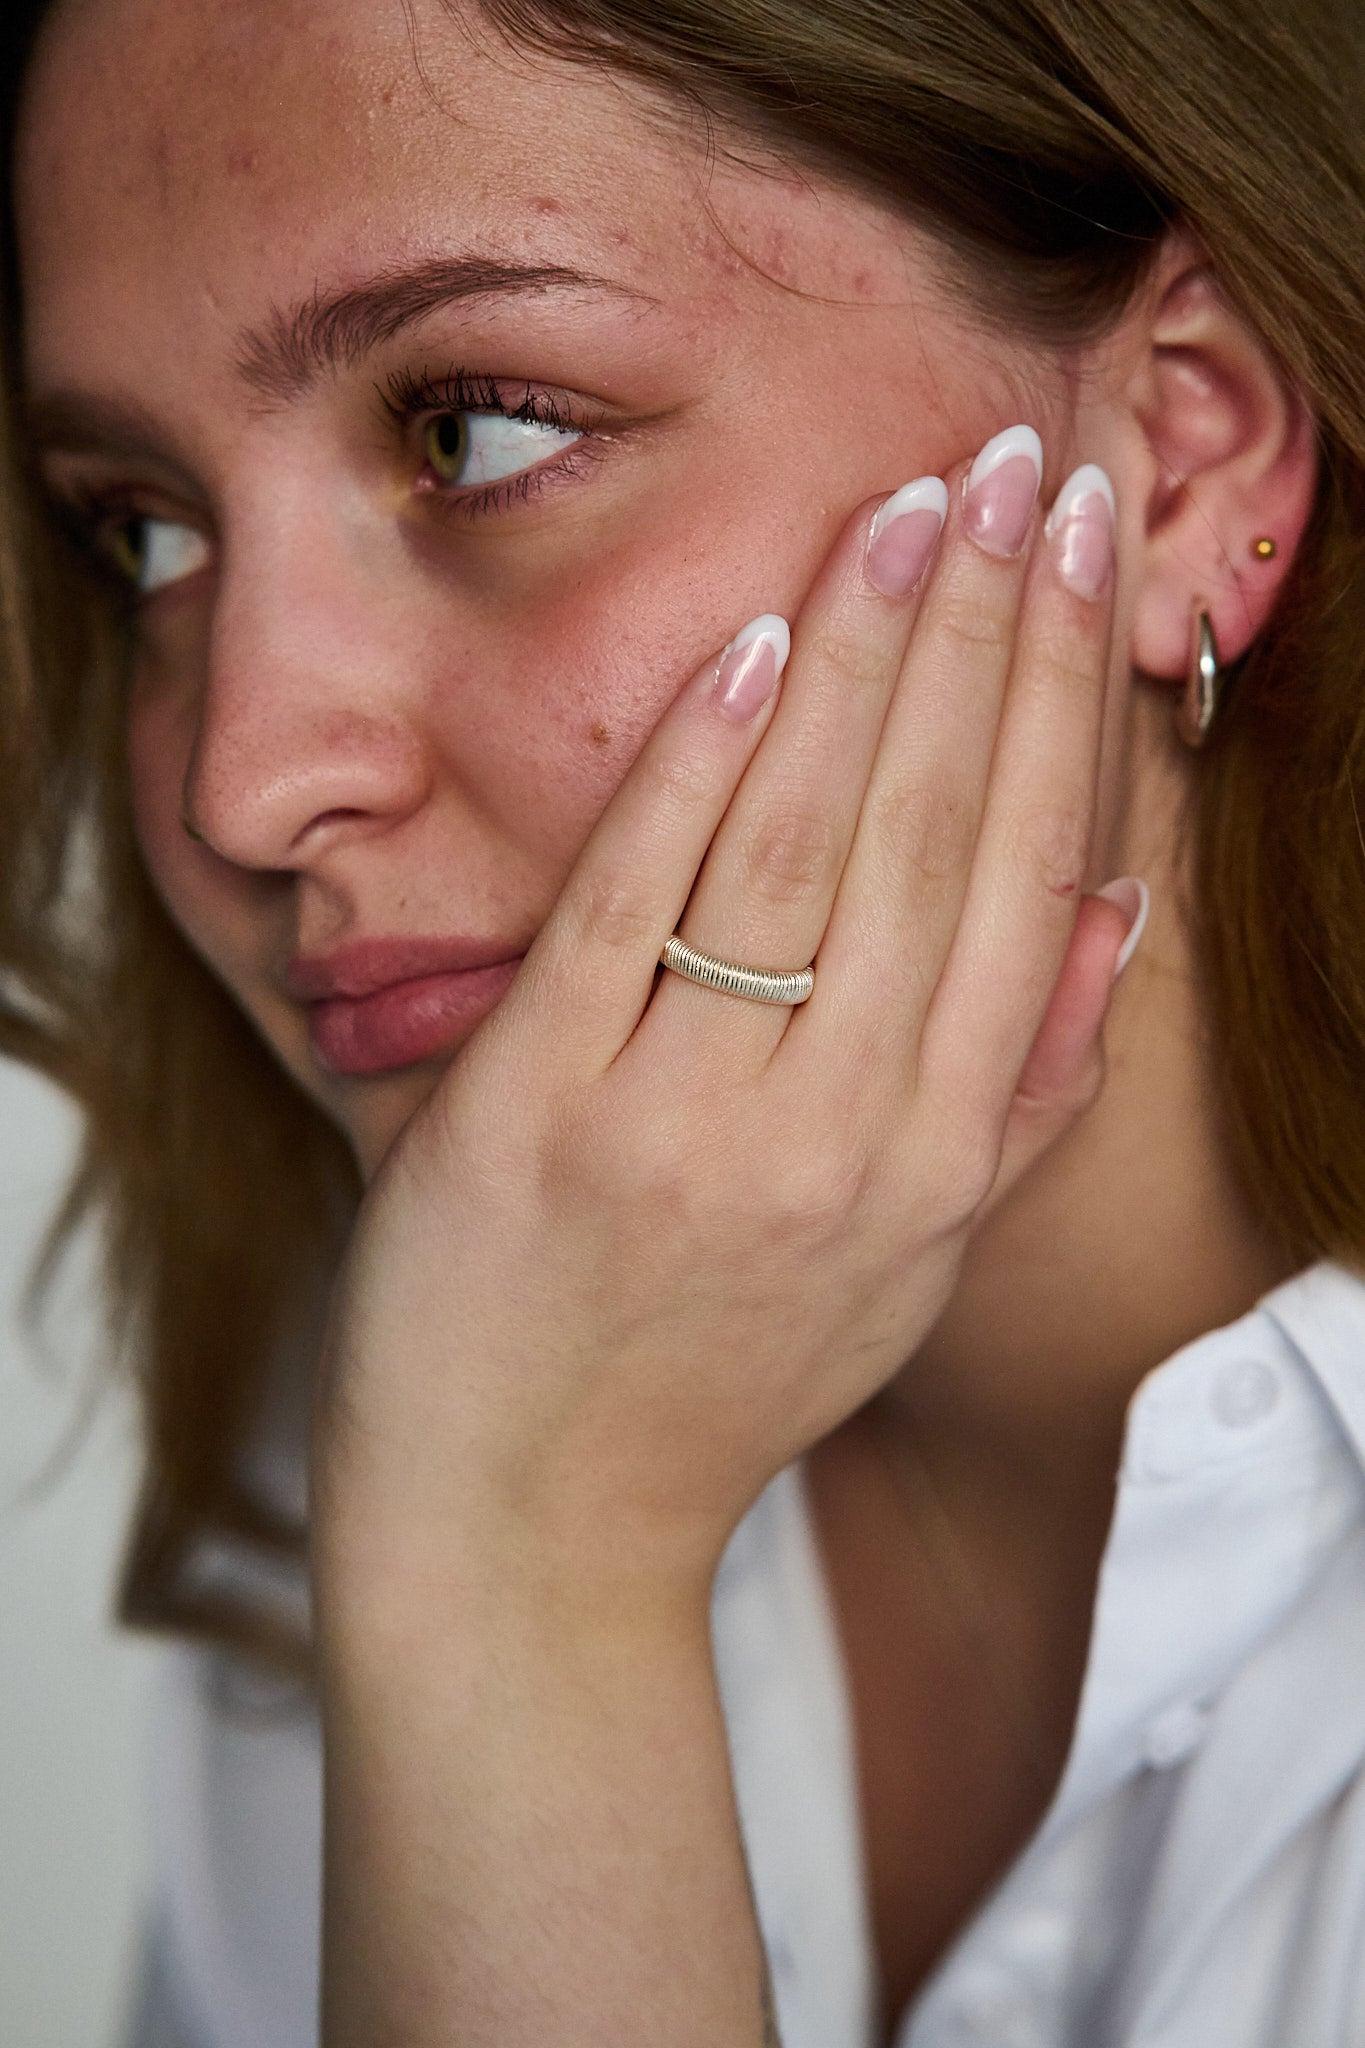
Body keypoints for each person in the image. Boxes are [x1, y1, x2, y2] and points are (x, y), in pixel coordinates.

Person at [3, 0, 1364, 2041]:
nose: (242, 783)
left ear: (1179, 457)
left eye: (476, 432)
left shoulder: (456, 1444)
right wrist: (508, 1557)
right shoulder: (396, 1409)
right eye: (149, 534)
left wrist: (520, 1560)